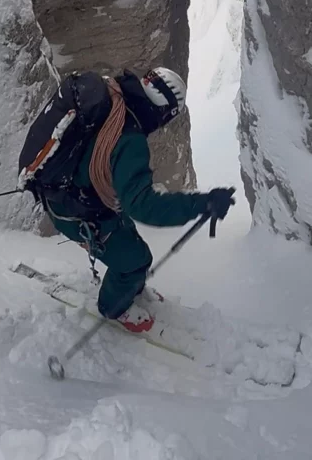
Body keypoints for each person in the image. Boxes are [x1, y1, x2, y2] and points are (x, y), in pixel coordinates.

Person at [37, 67, 235, 334]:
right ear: (164, 110)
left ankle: (132, 285)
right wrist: (203, 204)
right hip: (75, 212)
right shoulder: (128, 139)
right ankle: (114, 308)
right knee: (136, 261)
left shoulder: (114, 96)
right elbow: (143, 206)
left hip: (73, 194)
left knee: (129, 239)